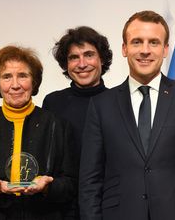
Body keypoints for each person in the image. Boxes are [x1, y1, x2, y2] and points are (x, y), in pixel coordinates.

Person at [79, 10, 175, 220]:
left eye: (153, 42)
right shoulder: (101, 105)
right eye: (137, 42)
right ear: (124, 49)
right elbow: (90, 180)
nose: (145, 50)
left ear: (165, 49)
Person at [0, 45, 77, 220]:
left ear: (34, 81)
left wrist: (48, 187)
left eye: (23, 76)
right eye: (7, 76)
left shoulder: (57, 125)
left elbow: (70, 186)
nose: (15, 85)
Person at [43, 26, 112, 220]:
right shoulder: (53, 103)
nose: (82, 64)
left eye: (89, 55)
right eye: (74, 57)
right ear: (66, 64)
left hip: (108, 206)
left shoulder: (119, 101)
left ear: (102, 59)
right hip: (63, 207)